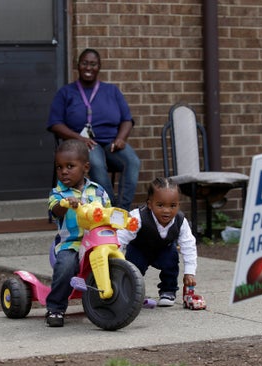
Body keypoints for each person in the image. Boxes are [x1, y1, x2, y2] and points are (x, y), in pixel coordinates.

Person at [47, 48, 140, 211]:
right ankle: (108, 207)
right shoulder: (66, 92)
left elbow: (127, 120)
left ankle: (122, 209)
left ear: (99, 67)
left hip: (112, 143)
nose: (88, 67)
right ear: (78, 66)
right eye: (84, 63)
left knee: (132, 161)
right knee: (95, 163)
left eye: (93, 64)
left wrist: (121, 139)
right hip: (84, 144)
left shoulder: (112, 91)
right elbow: (55, 123)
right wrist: (78, 138)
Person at [46, 139, 111, 327]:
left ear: (86, 167)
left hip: (98, 243)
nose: (63, 171)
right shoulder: (58, 193)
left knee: (120, 258)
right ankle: (56, 307)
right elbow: (55, 210)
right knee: (66, 266)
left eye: (70, 166)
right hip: (72, 244)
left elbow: (108, 212)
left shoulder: (99, 191)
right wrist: (65, 204)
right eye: (59, 167)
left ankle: (122, 295)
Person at [117, 177, 200, 307]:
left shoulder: (180, 221)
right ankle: (129, 290)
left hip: (164, 249)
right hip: (139, 249)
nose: (167, 210)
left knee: (171, 260)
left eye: (172, 206)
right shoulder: (137, 217)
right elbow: (121, 237)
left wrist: (189, 272)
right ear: (150, 204)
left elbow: (188, 245)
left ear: (178, 205)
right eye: (160, 205)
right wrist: (116, 257)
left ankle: (168, 290)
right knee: (133, 269)